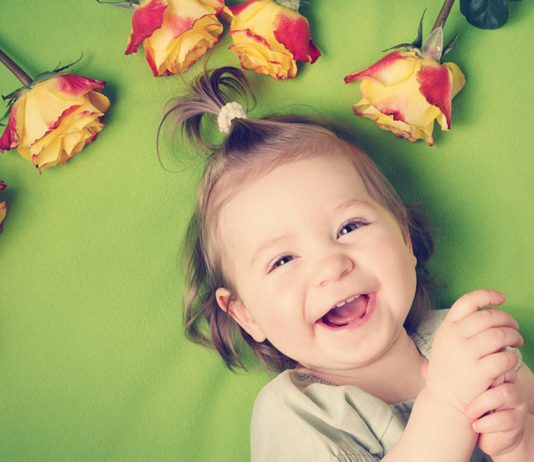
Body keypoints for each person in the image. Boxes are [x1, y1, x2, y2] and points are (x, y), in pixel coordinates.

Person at [165, 66, 534, 461]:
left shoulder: (460, 340)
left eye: (349, 227)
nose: (331, 266)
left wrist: (517, 443)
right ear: (245, 316)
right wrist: (446, 407)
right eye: (283, 259)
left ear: (404, 236)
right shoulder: (294, 416)